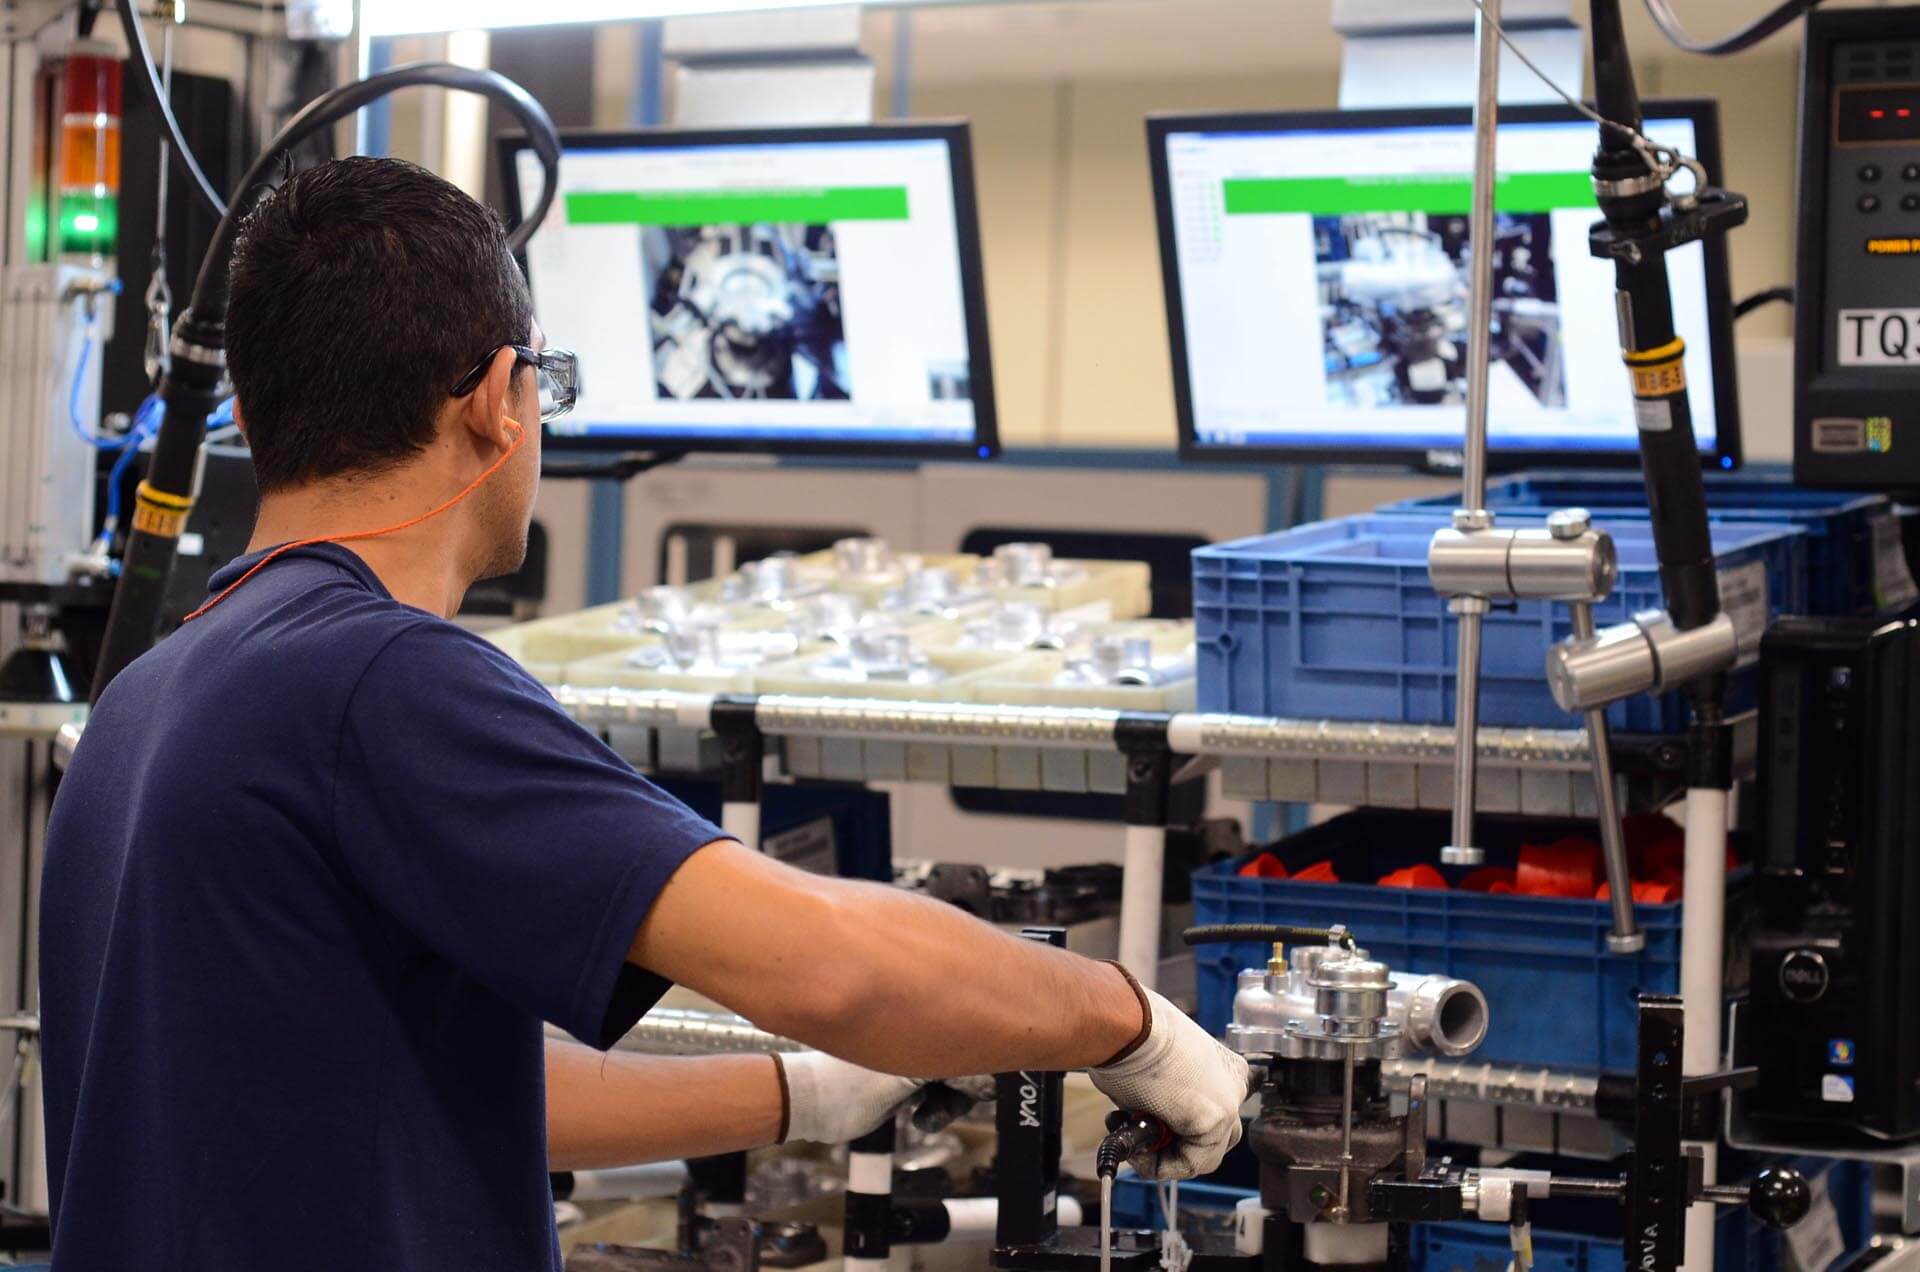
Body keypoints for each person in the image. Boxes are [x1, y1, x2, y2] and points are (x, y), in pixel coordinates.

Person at [38, 156, 1248, 1272]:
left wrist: (800, 1095)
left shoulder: (153, 695)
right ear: (501, 402)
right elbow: (827, 960)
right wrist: (1132, 1026)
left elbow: (447, 1090)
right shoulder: (379, 679)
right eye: (547, 386)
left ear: (248, 415)